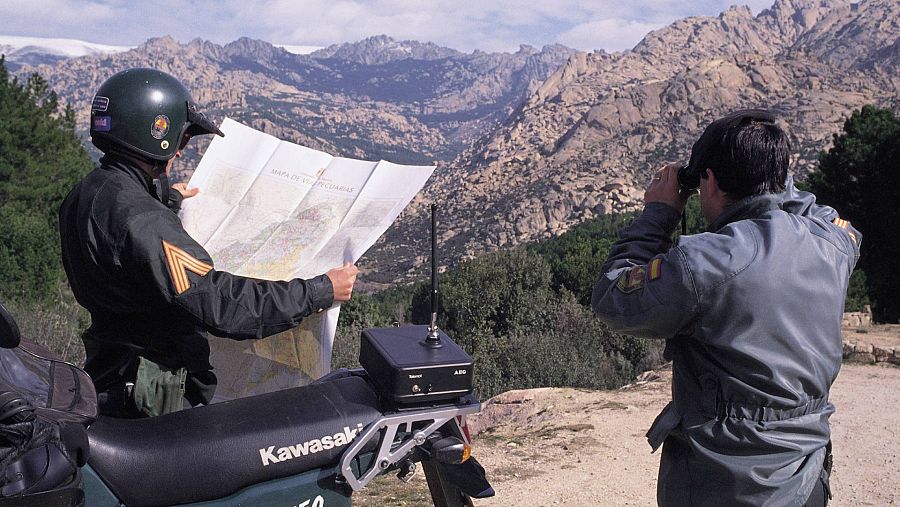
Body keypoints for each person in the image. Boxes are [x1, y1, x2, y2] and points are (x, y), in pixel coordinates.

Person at [591, 110, 860, 506]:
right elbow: (819, 213)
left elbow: (612, 297)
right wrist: (770, 174)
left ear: (711, 182)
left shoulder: (702, 263)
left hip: (721, 484)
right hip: (806, 481)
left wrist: (660, 213)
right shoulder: (835, 242)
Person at [59, 68, 359, 418]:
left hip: (112, 367)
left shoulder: (89, 192)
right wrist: (322, 291)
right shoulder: (144, 220)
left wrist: (168, 199)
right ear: (153, 133)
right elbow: (221, 303)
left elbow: (120, 240)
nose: (181, 153)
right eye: (181, 140)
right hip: (151, 395)